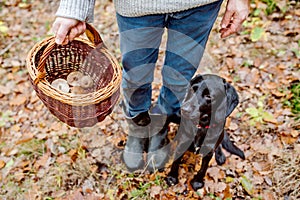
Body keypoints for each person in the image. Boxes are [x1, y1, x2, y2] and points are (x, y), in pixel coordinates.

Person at [52, 0, 249, 172]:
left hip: (199, 6)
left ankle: (161, 122)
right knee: (136, 76)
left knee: (179, 79)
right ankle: (139, 126)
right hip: (137, 6)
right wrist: (74, 7)